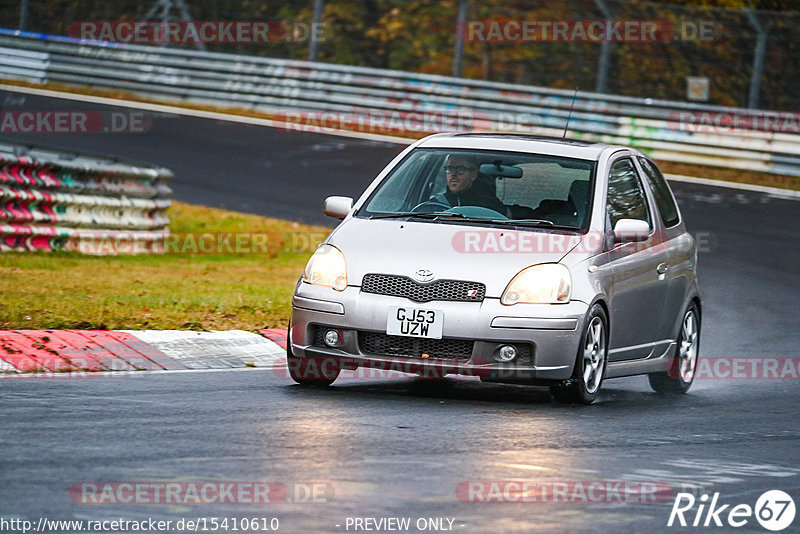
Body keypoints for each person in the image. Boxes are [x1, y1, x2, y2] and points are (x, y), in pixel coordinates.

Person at [431, 154, 506, 214]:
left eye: (460, 169)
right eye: (450, 169)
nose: (453, 174)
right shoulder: (434, 204)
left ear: (473, 175)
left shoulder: (490, 204)